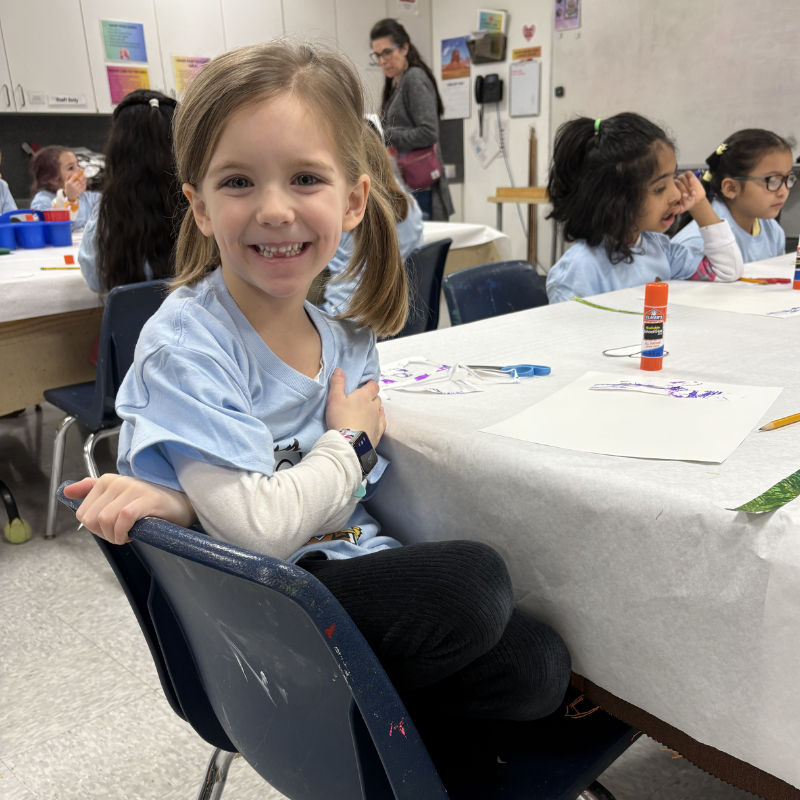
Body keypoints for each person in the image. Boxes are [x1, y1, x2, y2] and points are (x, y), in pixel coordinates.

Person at [65, 40, 570, 725]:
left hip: (340, 572)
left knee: (537, 663)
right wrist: (349, 443)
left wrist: (191, 505)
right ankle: (346, 731)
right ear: (201, 206)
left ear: (355, 200)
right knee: (473, 583)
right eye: (238, 182)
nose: (274, 209)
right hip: (264, 608)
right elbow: (262, 533)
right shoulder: (188, 342)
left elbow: (311, 509)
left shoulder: (346, 337)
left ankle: (368, 736)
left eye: (306, 178)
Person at [545, 113, 744, 304]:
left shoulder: (658, 249)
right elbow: (571, 338)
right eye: (659, 188)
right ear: (613, 201)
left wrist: (699, 204)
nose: (676, 194)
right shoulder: (578, 273)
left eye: (673, 178)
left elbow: (726, 270)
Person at [78, 90, 180, 293]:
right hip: (202, 322)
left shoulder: (108, 210)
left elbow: (94, 278)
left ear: (117, 149)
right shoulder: (202, 203)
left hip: (131, 324)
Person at [320, 119, 423, 317]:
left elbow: (345, 302)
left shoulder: (348, 219)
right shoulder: (411, 206)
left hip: (353, 323)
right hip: (399, 318)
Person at [370, 18, 454, 221]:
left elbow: (429, 132)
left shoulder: (414, 78)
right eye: (377, 55)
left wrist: (386, 135)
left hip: (423, 183)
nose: (382, 61)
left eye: (387, 52)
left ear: (404, 48)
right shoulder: (397, 83)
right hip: (409, 182)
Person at [671, 130, 794, 262]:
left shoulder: (772, 230)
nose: (783, 191)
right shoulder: (697, 243)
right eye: (773, 180)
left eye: (788, 178)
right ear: (731, 188)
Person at [30, 146, 100, 230]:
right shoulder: (42, 200)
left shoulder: (90, 198)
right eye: (71, 168)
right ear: (53, 179)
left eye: (78, 165)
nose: (80, 171)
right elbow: (49, 229)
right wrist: (69, 199)